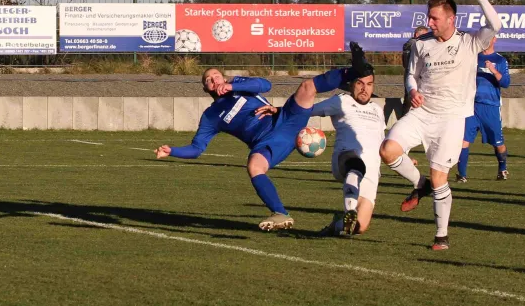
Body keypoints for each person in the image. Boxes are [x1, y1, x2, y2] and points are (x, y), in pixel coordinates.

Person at [154, 42, 372, 231]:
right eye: (209, 79)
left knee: (307, 87)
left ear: (224, 77)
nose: (214, 79)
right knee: (254, 166)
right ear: (205, 88)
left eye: (216, 75)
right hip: (269, 142)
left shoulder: (238, 85)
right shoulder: (211, 116)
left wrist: (232, 85)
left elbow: (265, 85)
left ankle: (354, 71)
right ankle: (281, 214)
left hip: (285, 119)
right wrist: (171, 150)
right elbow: (197, 148)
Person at [378, 0, 502, 250]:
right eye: (428, 18)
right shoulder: (422, 45)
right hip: (422, 114)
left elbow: (495, 25)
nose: (430, 23)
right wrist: (412, 91)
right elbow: (411, 75)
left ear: (451, 19)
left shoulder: (470, 42)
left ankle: (441, 236)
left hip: (451, 120)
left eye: (434, 18)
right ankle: (419, 184)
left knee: (440, 179)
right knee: (387, 150)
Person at [255, 65, 384, 236]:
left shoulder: (377, 110)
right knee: (356, 165)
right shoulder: (341, 101)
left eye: (369, 84)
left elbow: (382, 140)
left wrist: (401, 157)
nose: (364, 88)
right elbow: (307, 110)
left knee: (359, 227)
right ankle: (350, 210)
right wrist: (279, 110)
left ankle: (337, 225)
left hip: (372, 171)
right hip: (346, 157)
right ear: (352, 84)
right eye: (360, 83)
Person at [456, 36, 510, 183]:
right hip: (471, 106)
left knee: (498, 143)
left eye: (489, 38)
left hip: (491, 107)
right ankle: (461, 175)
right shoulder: (473, 58)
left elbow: (505, 83)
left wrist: (492, 70)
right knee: (464, 140)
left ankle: (502, 169)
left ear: (494, 40)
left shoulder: (500, 60)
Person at [402, 26, 430, 115]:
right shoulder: (415, 45)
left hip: (410, 73)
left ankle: (404, 118)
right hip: (414, 75)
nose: (428, 38)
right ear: (417, 34)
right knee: (413, 99)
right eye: (425, 35)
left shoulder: (408, 44)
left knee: (409, 98)